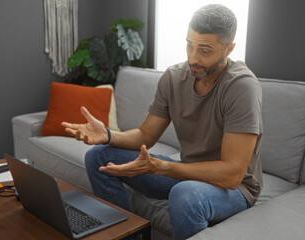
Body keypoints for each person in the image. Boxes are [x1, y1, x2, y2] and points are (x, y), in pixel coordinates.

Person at [62, 4, 262, 240]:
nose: (193, 58)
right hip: (187, 172)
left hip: (234, 189)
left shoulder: (241, 87)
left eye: (205, 51)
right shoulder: (174, 77)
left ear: (229, 49)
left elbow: (231, 175)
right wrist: (107, 134)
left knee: (184, 195)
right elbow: (146, 135)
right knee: (98, 156)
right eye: (189, 45)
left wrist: (163, 167)